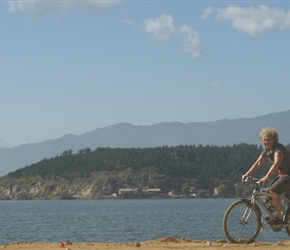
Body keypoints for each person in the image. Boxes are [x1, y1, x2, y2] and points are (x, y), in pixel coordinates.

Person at [242, 127, 290, 224]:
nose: (266, 141)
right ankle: (278, 212)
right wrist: (247, 174)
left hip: (288, 174)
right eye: (264, 139)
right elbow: (258, 163)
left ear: (274, 139)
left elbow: (276, 164)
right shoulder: (267, 150)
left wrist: (266, 177)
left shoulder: (278, 148)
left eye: (268, 139)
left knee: (273, 191)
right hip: (282, 175)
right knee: (268, 193)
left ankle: (279, 218)